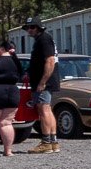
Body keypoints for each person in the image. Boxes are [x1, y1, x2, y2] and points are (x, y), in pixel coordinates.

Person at [21, 17, 62, 152]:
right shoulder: (41, 40)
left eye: (32, 27)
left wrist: (42, 82)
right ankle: (53, 142)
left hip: (44, 82)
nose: (29, 30)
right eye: (27, 28)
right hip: (43, 81)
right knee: (47, 109)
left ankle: (46, 142)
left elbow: (50, 61)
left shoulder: (44, 40)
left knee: (43, 109)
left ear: (39, 27)